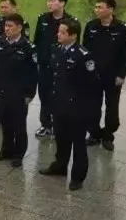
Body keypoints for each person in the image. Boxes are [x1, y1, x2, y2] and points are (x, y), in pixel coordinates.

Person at [39, 19, 101, 191]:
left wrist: (88, 111)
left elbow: (93, 86)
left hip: (77, 108)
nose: (58, 34)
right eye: (58, 31)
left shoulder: (83, 55)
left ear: (73, 35)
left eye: (62, 32)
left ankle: (78, 177)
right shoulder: (57, 49)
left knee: (78, 143)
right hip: (59, 104)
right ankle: (59, 166)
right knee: (61, 139)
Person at [83, 0, 126, 152]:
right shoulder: (91, 26)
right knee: (92, 106)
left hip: (113, 76)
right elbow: (85, 52)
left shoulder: (123, 28)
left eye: (100, 7)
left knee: (112, 108)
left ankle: (108, 135)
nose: (96, 10)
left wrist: (122, 74)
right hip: (94, 75)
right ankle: (94, 134)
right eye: (96, 7)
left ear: (111, 9)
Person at [0, 13, 37, 167]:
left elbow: (33, 73)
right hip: (3, 90)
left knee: (18, 125)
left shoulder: (28, 48)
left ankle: (18, 154)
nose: (7, 29)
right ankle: (6, 150)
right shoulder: (0, 42)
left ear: (19, 28)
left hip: (20, 93)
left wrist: (30, 94)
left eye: (11, 26)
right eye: (6, 26)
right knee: (5, 122)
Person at [34, 0, 78, 139]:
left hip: (62, 66)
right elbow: (37, 40)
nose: (50, 3)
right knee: (44, 95)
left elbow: (74, 44)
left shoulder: (71, 21)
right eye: (49, 0)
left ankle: (60, 124)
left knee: (61, 96)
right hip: (45, 65)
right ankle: (46, 124)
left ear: (63, 3)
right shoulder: (43, 19)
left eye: (53, 1)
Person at [0, 0, 30, 127]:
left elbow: (24, 41)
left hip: (15, 59)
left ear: (14, 7)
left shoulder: (22, 23)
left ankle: (10, 116)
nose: (3, 10)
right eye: (1, 7)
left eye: (6, 7)